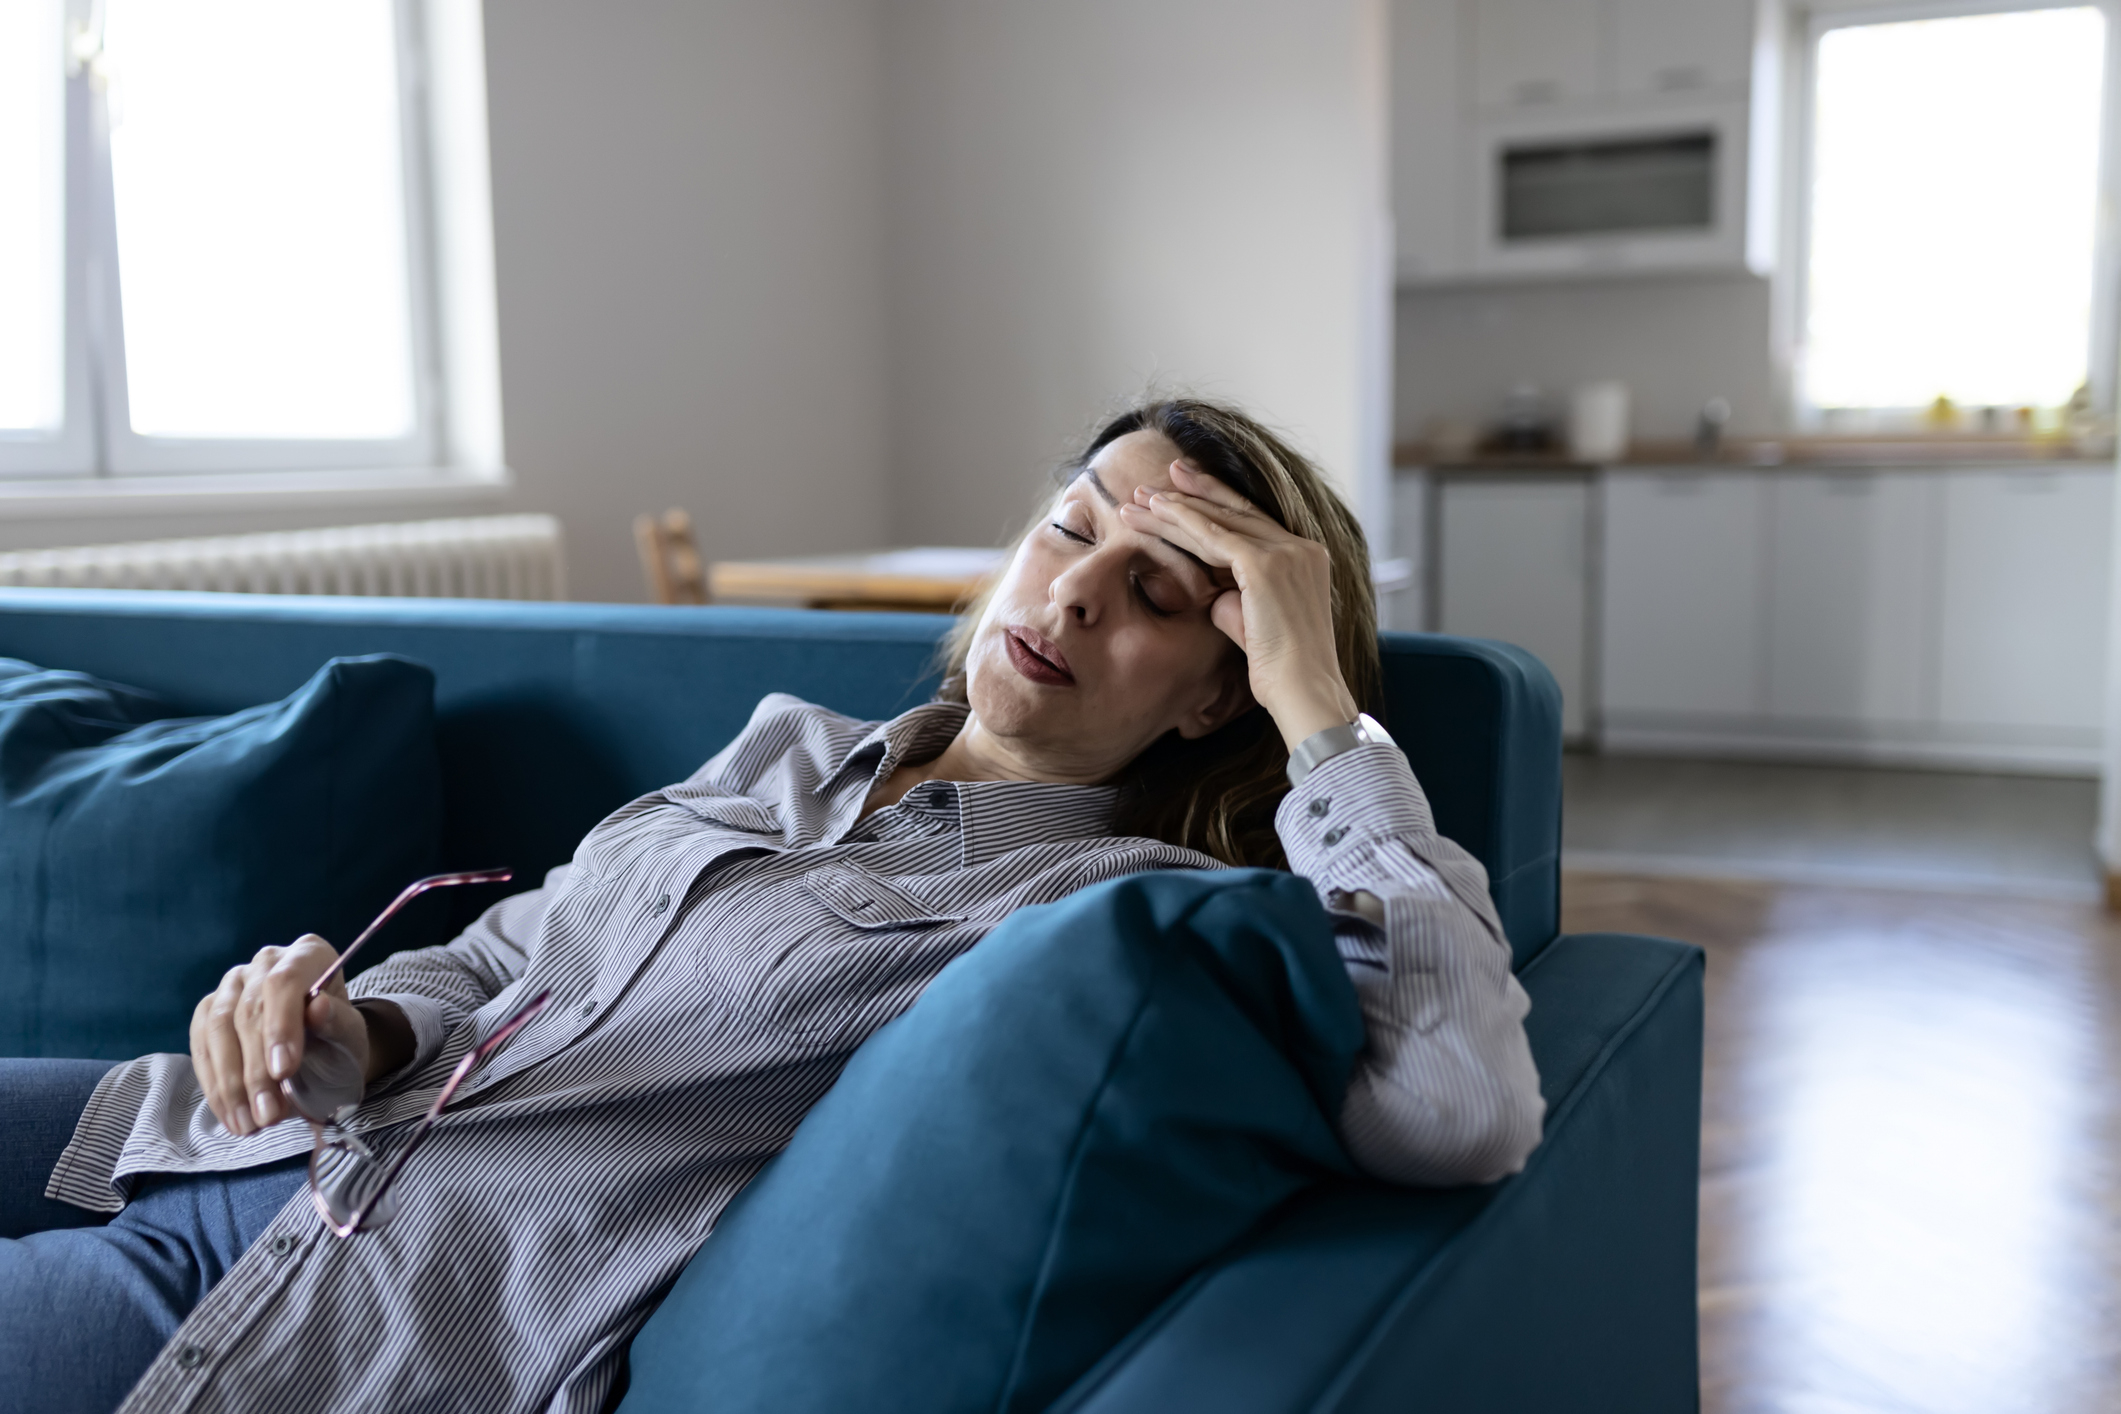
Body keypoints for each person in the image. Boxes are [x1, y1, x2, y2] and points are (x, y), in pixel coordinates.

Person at [0, 398, 1543, 1414]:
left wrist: (1322, 708)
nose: (1075, 592)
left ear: (1220, 690)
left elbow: (1461, 1102)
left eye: (1160, 593)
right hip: (237, 1124)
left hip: (352, 1288)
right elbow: (514, 950)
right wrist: (356, 1024)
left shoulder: (1107, 902)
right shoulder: (792, 750)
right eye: (1074, 528)